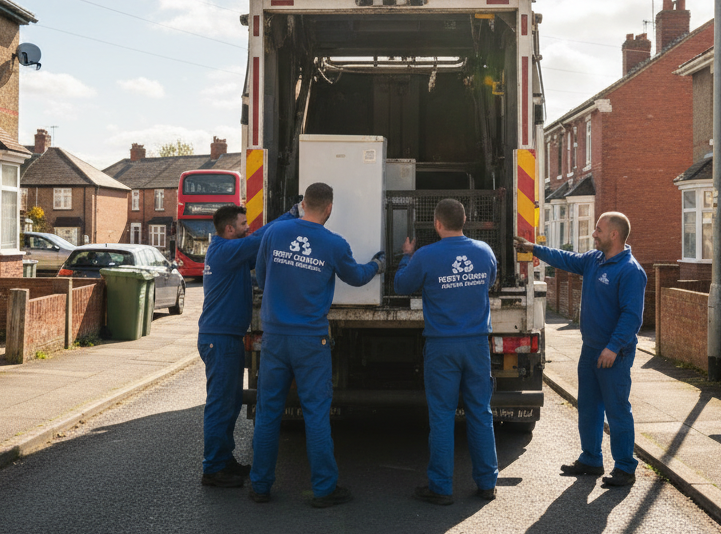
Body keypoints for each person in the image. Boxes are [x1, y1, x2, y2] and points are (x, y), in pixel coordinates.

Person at [249, 182, 383, 507]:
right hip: (310, 339)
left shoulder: (274, 234)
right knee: (316, 413)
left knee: (268, 412)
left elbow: (261, 277)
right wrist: (378, 264)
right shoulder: (333, 243)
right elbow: (356, 277)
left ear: (303, 203)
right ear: (329, 209)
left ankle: (260, 486)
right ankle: (324, 489)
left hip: (275, 336)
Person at [515, 212, 645, 488]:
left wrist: (612, 347)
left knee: (617, 410)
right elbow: (565, 258)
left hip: (614, 354)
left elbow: (631, 317)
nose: (594, 234)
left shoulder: (630, 271)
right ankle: (591, 459)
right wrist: (533, 249)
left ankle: (625, 467)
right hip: (591, 350)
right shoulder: (594, 260)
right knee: (588, 408)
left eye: (598, 229)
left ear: (614, 235)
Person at [394, 198, 499, 505]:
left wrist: (406, 256)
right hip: (478, 344)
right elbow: (490, 281)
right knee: (481, 412)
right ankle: (487, 483)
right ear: (464, 220)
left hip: (442, 346)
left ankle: (441, 487)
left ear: (437, 223)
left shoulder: (426, 256)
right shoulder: (484, 252)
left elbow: (402, 286)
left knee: (442, 415)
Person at [196, 201, 297, 488]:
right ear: (229, 229)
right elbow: (259, 239)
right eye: (242, 224)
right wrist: (290, 215)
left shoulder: (231, 253)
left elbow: (260, 251)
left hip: (224, 338)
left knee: (229, 403)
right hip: (220, 340)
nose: (247, 227)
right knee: (220, 404)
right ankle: (213, 468)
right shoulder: (226, 250)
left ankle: (223, 461)